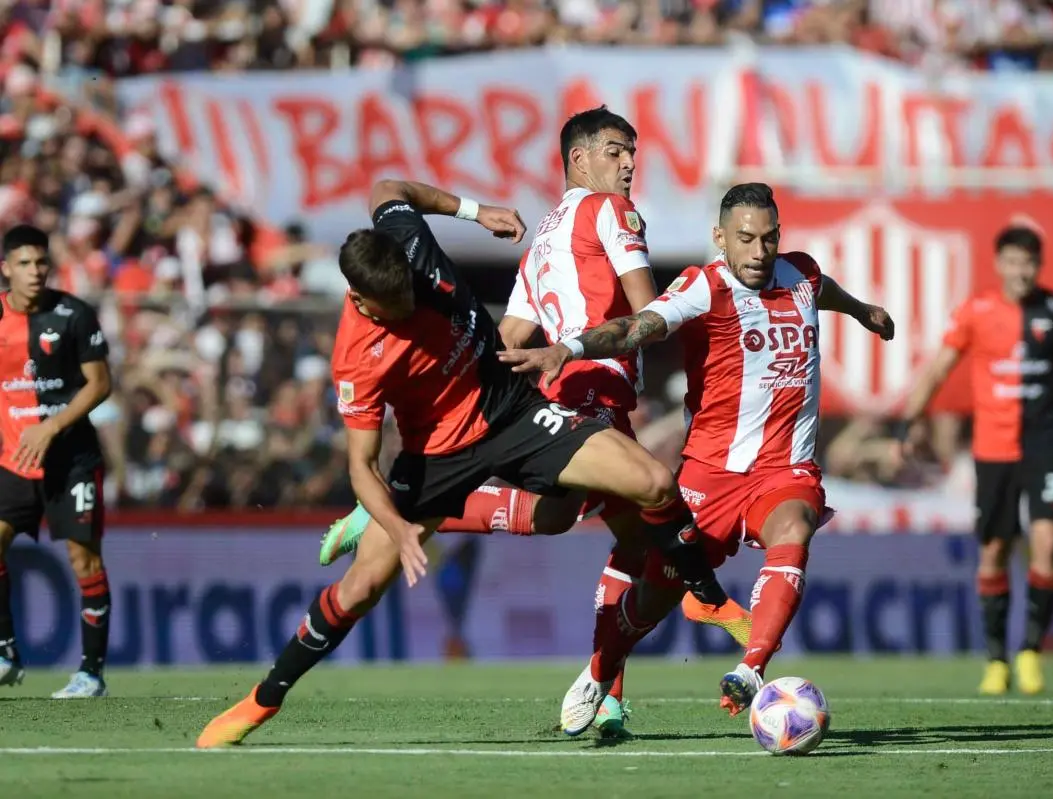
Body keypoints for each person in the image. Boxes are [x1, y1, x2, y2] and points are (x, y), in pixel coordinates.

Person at [196, 178, 729, 748]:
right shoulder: (357, 360)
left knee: (647, 481)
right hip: (437, 456)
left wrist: (477, 212)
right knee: (360, 589)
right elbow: (361, 466)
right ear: (359, 301)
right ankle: (262, 701)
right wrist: (400, 530)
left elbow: (386, 187)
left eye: (409, 291)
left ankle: (703, 592)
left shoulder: (408, 241)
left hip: (512, 412)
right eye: (395, 308)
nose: (410, 306)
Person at [313, 107, 752, 736]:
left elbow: (507, 342)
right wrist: (713, 321)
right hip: (591, 390)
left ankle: (606, 688)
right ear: (579, 160)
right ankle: (612, 679)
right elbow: (646, 309)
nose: (628, 163)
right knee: (639, 525)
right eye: (614, 151)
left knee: (573, 522)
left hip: (559, 392)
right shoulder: (614, 214)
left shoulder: (544, 241)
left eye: (632, 152)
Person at [499, 183, 895, 733]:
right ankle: (599, 670)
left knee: (795, 527)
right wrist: (570, 347)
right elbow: (638, 327)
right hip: (710, 474)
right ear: (721, 239)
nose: (759, 252)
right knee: (656, 592)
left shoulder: (799, 273)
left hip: (786, 468)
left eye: (769, 238)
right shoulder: (704, 286)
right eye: (746, 239)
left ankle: (751, 668)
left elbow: (823, 287)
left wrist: (862, 310)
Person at [895, 223, 1053, 696]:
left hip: (1047, 445)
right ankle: (996, 660)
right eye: (1012, 261)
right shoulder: (976, 312)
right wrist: (909, 421)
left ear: (1039, 265)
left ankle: (1031, 650)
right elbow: (938, 368)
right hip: (993, 449)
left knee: (1048, 544)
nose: (1021, 271)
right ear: (999, 264)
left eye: (1029, 262)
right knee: (993, 552)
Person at [0, 225, 114, 699]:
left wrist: (51, 426)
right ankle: (6, 651)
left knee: (83, 560)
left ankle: (91, 673)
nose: (35, 271)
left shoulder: (73, 314)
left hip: (71, 460)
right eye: (24, 263)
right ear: (6, 268)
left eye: (41, 262)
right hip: (12, 460)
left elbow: (100, 383)